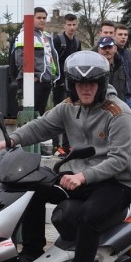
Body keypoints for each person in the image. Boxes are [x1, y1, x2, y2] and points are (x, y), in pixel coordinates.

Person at [0, 50, 131, 262]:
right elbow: (42, 126)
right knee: (32, 188)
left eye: (92, 83)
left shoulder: (119, 113)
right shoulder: (70, 106)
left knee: (88, 217)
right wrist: (12, 140)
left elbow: (120, 161)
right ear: (72, 85)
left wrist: (83, 176)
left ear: (102, 83)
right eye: (80, 84)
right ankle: (32, 250)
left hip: (115, 184)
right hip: (79, 177)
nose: (86, 89)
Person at [9, 6, 58, 117]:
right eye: (39, 17)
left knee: (40, 114)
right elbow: (20, 58)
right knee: (30, 113)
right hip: (33, 81)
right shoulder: (24, 35)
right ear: (31, 19)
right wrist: (31, 76)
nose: (42, 20)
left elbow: (51, 57)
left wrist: (55, 75)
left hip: (46, 80)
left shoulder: (47, 36)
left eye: (44, 18)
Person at [51, 12, 81, 157]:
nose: (71, 27)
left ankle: (68, 145)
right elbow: (54, 61)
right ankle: (56, 145)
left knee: (71, 114)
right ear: (64, 25)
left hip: (73, 83)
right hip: (60, 83)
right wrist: (59, 80)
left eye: (74, 25)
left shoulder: (77, 42)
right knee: (58, 113)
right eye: (69, 25)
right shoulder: (58, 40)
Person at [114, 23, 131, 112]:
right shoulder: (111, 53)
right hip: (115, 97)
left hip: (129, 98)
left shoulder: (130, 54)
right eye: (120, 34)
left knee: (129, 125)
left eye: (125, 35)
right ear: (114, 36)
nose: (123, 37)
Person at [97, 36, 127, 101]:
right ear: (99, 50)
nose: (107, 50)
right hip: (101, 106)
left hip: (120, 105)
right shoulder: (95, 69)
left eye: (110, 47)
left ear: (115, 49)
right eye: (104, 48)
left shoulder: (121, 66)